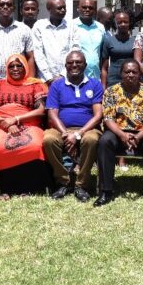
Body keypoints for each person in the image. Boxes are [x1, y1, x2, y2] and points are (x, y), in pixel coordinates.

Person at [94, 61, 143, 207]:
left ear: (139, 74)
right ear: (121, 74)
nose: (131, 75)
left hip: (142, 132)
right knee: (105, 141)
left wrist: (138, 136)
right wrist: (122, 135)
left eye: (134, 72)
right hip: (117, 132)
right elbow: (108, 118)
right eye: (127, 72)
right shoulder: (111, 91)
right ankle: (106, 191)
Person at [0, 54, 50, 197]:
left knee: (34, 145)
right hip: (2, 124)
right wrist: (5, 123)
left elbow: (41, 110)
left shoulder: (35, 85)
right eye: (11, 66)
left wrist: (16, 119)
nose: (15, 69)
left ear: (25, 67)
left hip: (28, 122)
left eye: (19, 65)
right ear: (6, 68)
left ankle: (30, 187)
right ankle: (7, 188)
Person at [43, 51, 104, 202]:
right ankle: (63, 181)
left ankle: (81, 185)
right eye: (70, 63)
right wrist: (65, 134)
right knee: (48, 139)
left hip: (88, 129)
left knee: (90, 140)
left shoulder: (95, 84)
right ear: (65, 66)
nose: (74, 65)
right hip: (62, 129)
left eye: (78, 62)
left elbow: (98, 115)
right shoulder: (57, 85)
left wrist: (78, 134)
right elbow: (52, 114)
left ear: (85, 65)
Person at [32, 0, 79, 84]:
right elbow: (38, 53)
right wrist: (49, 78)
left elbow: (75, 50)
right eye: (59, 8)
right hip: (45, 80)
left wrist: (63, 75)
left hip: (67, 78)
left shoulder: (72, 26)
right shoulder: (39, 26)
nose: (63, 10)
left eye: (64, 8)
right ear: (49, 9)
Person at [100, 9, 136, 88]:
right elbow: (104, 68)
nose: (123, 24)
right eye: (119, 22)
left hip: (131, 80)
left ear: (130, 23)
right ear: (115, 23)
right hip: (113, 81)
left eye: (125, 22)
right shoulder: (108, 40)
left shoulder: (136, 41)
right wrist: (103, 86)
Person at [74, 0, 105, 80]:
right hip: (77, 77)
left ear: (94, 10)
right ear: (78, 9)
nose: (87, 10)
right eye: (84, 7)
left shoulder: (100, 28)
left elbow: (102, 53)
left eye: (90, 8)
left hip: (96, 77)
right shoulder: (71, 26)